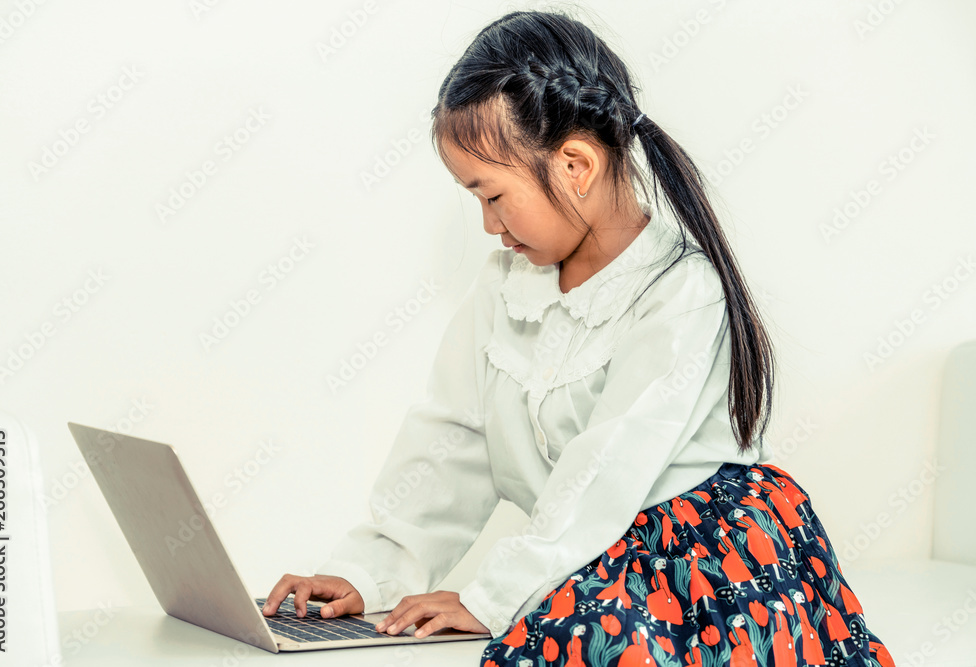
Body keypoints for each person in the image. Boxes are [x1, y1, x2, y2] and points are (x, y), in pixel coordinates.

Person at [261, 9, 896, 666]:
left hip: (693, 564)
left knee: (583, 643)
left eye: (493, 194)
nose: (486, 224)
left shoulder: (681, 290)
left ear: (575, 165)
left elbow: (606, 468)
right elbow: (453, 439)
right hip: (584, 546)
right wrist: (366, 572)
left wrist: (492, 595)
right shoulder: (508, 282)